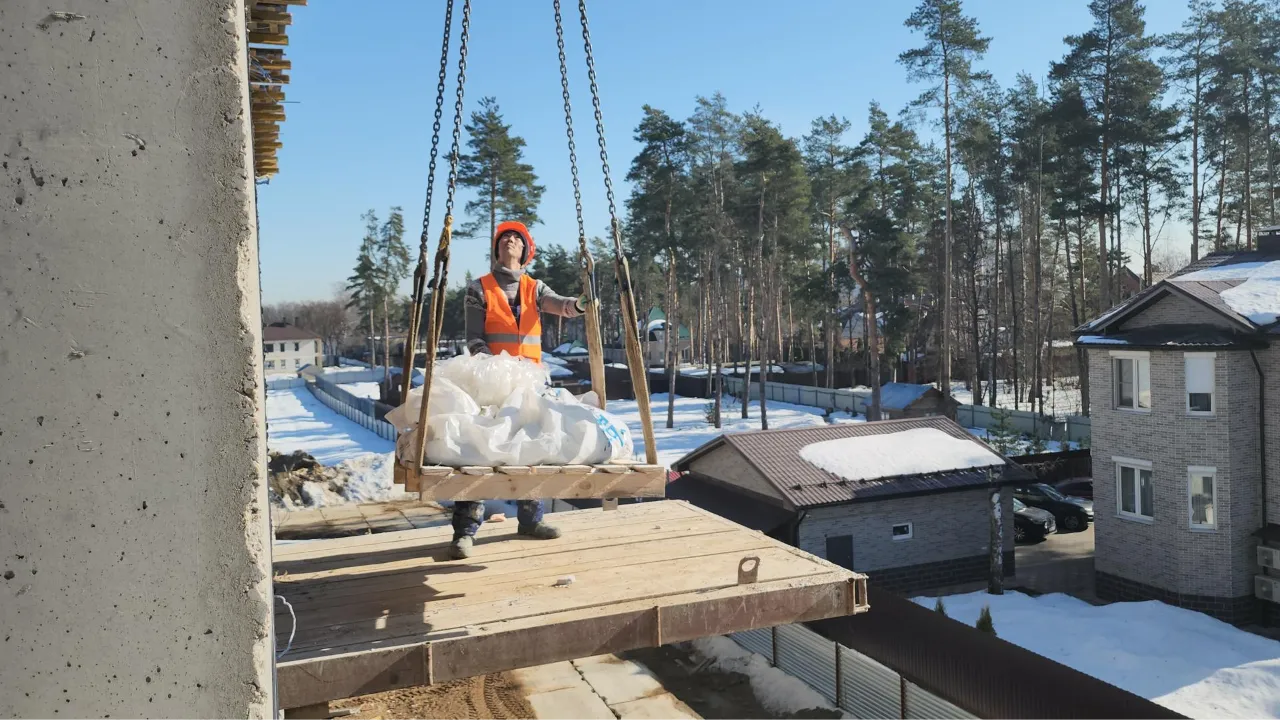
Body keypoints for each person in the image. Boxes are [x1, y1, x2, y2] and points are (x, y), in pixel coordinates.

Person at [450, 220, 589, 560]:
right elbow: (473, 337)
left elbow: (561, 305)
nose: (510, 240)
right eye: (504, 237)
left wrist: (582, 303)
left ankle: (530, 520)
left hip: (529, 380)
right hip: (491, 379)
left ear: (526, 251)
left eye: (517, 238)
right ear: (496, 249)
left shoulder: (534, 287)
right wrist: (492, 369)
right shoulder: (478, 288)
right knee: (479, 450)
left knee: (532, 446)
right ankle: (465, 531)